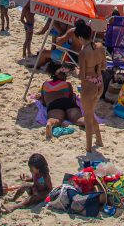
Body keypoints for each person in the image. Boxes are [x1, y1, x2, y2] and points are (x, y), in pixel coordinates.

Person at [75, 19, 105, 155]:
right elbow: (104, 66)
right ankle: (99, 139)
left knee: (87, 117)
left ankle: (88, 147)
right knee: (91, 112)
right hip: (100, 83)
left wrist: (74, 71)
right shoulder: (100, 46)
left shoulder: (83, 53)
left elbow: (81, 76)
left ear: (81, 37)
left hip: (89, 86)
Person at [40, 68, 83, 138]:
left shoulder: (45, 84)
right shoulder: (67, 84)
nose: (65, 75)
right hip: (67, 102)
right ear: (57, 74)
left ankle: (50, 124)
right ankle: (87, 123)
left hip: (54, 104)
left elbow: (44, 102)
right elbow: (71, 97)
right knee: (78, 118)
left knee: (56, 119)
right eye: (63, 73)